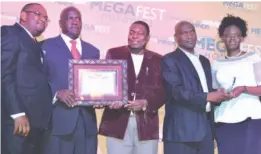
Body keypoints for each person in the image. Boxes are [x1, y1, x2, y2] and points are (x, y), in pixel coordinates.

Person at [161, 21, 230, 154]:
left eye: (192, 31)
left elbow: (205, 89)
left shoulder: (204, 60)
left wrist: (218, 93)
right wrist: (208, 96)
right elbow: (176, 92)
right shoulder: (169, 60)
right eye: (184, 33)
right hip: (181, 132)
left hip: (205, 131)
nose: (189, 36)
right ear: (176, 38)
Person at [99, 20, 165, 154]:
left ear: (147, 38)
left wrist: (146, 103)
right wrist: (109, 101)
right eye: (132, 32)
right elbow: (105, 83)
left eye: (140, 33)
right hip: (117, 123)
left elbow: (163, 91)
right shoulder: (114, 53)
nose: (134, 36)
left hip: (146, 126)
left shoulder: (158, 60)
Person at [42, 6, 100, 154]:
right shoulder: (45, 46)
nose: (75, 22)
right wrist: (56, 93)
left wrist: (101, 97)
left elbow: (97, 83)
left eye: (78, 18)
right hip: (58, 122)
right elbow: (38, 80)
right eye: (70, 18)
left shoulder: (93, 51)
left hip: (87, 125)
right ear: (60, 23)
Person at [1, 3, 52, 154]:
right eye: (38, 14)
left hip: (34, 126)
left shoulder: (35, 44)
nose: (43, 19)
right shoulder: (11, 33)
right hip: (17, 124)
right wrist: (17, 113)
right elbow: (4, 74)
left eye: (46, 18)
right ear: (23, 16)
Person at [212, 14, 261, 154]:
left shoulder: (254, 58)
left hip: (252, 119)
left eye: (237, 35)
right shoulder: (216, 63)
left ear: (242, 37)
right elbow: (214, 91)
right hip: (224, 120)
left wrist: (244, 89)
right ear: (222, 37)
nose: (232, 38)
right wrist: (220, 93)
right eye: (228, 35)